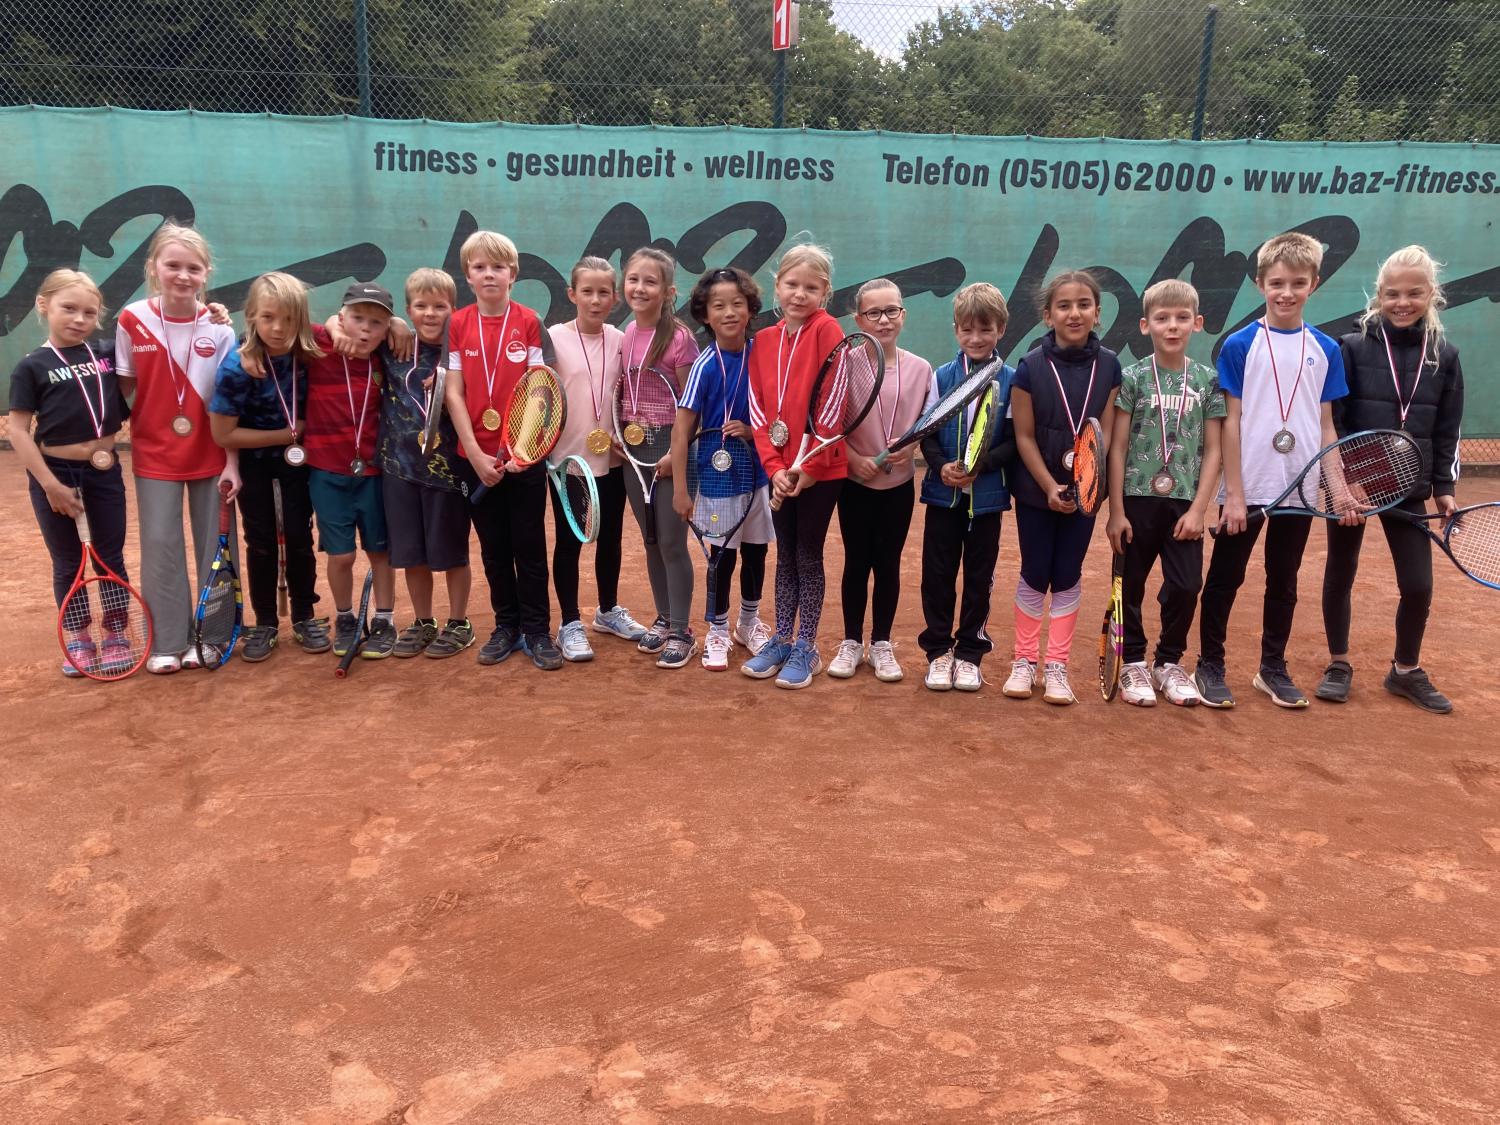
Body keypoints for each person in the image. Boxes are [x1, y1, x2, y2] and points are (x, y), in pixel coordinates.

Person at [1196, 231, 1348, 709]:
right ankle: (1209, 665)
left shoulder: (1327, 348)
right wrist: (1235, 494)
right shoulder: (1240, 344)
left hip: (1300, 489)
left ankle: (1272, 668)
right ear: (1260, 283)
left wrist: (1338, 488)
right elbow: (1231, 421)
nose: (1287, 293)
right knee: (1225, 577)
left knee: (1284, 581)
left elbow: (1326, 426)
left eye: (1298, 283)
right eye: (1277, 283)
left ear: (1314, 284)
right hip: (1247, 487)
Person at [1317, 245, 1464, 713]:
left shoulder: (1444, 355)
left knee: (1418, 585)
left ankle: (1405, 670)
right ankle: (1338, 663)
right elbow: (1335, 420)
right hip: (1353, 488)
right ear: (1379, 295)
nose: (1403, 302)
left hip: (1409, 486)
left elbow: (1447, 429)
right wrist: (1345, 482)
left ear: (1432, 294)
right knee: (1341, 572)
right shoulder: (1352, 347)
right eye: (1393, 294)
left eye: (1414, 293)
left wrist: (1444, 490)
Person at [115, 222, 239, 672]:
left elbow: (230, 402)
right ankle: (167, 641)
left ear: (206, 273)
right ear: (153, 267)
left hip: (212, 452)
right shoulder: (131, 319)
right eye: (173, 265)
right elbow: (125, 387)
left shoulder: (220, 328)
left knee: (216, 548)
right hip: (154, 453)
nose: (183, 276)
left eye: (193, 268)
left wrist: (232, 461)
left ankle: (213, 637)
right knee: (160, 545)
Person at [444, 230, 561, 670]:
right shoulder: (458, 324)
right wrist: (476, 455)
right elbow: (453, 393)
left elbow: (541, 389)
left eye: (498, 267)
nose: (489, 274)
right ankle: (506, 626)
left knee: (529, 547)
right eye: (480, 267)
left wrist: (522, 450)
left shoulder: (529, 321)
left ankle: (537, 630)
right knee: (493, 549)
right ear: (468, 276)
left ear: (513, 274)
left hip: (524, 459)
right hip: (474, 459)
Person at [1105, 279, 1224, 707]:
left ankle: (1169, 661)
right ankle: (1133, 661)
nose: (1172, 326)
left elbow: (1215, 451)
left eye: (1181, 318)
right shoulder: (1132, 378)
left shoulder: (1208, 380)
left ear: (1198, 323)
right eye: (1162, 318)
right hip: (1136, 499)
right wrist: (1116, 512)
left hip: (1184, 503)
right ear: (1145, 325)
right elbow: (1118, 447)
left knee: (1186, 585)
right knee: (1130, 585)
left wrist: (1199, 510)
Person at [1004, 270, 1122, 705]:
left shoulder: (1110, 366)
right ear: (1047, 315)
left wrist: (1087, 487)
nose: (1075, 314)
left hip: (1086, 494)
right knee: (1036, 573)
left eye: (1084, 305)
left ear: (1097, 312)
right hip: (1037, 491)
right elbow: (1024, 437)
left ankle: (1056, 666)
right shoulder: (1030, 366)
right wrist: (1050, 486)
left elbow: (1105, 436)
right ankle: (1024, 661)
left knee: (1068, 574)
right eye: (1064, 306)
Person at [8, 270, 133, 676]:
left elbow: (155, 339)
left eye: (89, 313)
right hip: (56, 473)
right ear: (43, 305)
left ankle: (116, 635)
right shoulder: (31, 366)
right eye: (69, 308)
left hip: (104, 471)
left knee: (110, 558)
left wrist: (216, 314)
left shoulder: (106, 353)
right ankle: (78, 638)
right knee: (68, 562)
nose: (79, 319)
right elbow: (17, 430)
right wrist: (51, 485)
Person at [743, 242, 848, 689]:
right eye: (792, 284)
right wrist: (774, 468)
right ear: (777, 286)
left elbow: (834, 403)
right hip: (780, 471)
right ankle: (782, 637)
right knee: (784, 554)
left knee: (808, 553)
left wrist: (808, 468)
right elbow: (758, 410)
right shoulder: (764, 340)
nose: (799, 294)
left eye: (811, 287)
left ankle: (807, 644)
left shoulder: (829, 330)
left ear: (825, 292)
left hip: (821, 472)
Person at [208, 272, 326, 661]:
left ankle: (305, 616)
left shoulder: (309, 355)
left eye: (289, 319)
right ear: (252, 317)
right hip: (255, 462)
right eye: (268, 318)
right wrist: (288, 433)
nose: (278, 329)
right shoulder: (236, 367)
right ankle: (265, 624)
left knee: (299, 535)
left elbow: (348, 326)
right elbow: (223, 434)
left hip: (300, 463)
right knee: (260, 541)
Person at [828, 278, 935, 684]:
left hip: (899, 486)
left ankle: (881, 644)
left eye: (891, 311)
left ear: (903, 315)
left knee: (888, 563)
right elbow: (830, 422)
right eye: (874, 313)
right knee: (857, 561)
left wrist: (912, 448)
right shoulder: (844, 365)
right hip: (854, 483)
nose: (884, 320)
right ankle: (851, 641)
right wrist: (852, 460)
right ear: (859, 320)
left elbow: (927, 422)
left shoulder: (921, 369)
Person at [671, 266, 774, 670]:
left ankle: (748, 623)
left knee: (756, 552)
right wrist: (682, 490)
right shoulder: (704, 366)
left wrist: (752, 431)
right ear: (705, 315)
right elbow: (682, 431)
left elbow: (775, 413)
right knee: (723, 558)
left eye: (737, 303)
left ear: (750, 309)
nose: (729, 312)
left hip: (758, 475)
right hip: (717, 481)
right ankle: (717, 629)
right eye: (719, 306)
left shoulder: (763, 354)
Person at [548, 256, 648, 661]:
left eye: (603, 292)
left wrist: (628, 431)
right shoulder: (553, 338)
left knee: (610, 538)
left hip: (614, 459)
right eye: (587, 291)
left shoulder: (622, 339)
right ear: (572, 294)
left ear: (614, 297)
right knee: (569, 541)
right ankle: (569, 622)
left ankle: (607, 611)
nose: (595, 300)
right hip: (568, 463)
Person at [375, 268, 477, 659]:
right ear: (408, 310)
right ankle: (423, 621)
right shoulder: (393, 346)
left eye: (439, 306)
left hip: (448, 473)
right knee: (410, 553)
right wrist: (392, 323)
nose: (430, 314)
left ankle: (459, 622)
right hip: (398, 470)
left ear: (454, 309)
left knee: (452, 552)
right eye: (421, 306)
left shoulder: (462, 354)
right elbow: (342, 322)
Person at [917, 283, 1014, 692]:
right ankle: (939, 652)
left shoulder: (1012, 379)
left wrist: (980, 467)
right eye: (967, 330)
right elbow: (927, 432)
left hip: (986, 501)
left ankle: (970, 654)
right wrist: (941, 466)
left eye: (985, 329)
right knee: (937, 575)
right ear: (956, 329)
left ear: (1001, 329)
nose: (976, 338)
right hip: (944, 497)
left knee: (979, 578)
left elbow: (1013, 441)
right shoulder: (942, 376)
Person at [304, 283, 399, 659]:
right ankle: (345, 617)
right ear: (342, 317)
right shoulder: (318, 345)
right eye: (357, 318)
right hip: (327, 473)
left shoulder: (387, 355)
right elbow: (282, 327)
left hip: (374, 474)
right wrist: (331, 326)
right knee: (341, 556)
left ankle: (385, 620)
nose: (365, 329)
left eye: (376, 323)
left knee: (381, 552)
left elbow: (408, 331)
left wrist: (398, 326)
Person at [618, 246, 701, 668]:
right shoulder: (627, 334)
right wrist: (618, 434)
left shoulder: (680, 339)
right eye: (633, 279)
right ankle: (665, 617)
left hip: (673, 448)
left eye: (650, 282)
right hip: (634, 450)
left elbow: (694, 405)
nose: (639, 288)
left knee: (671, 542)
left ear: (668, 291)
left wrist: (675, 453)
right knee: (651, 539)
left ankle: (683, 631)